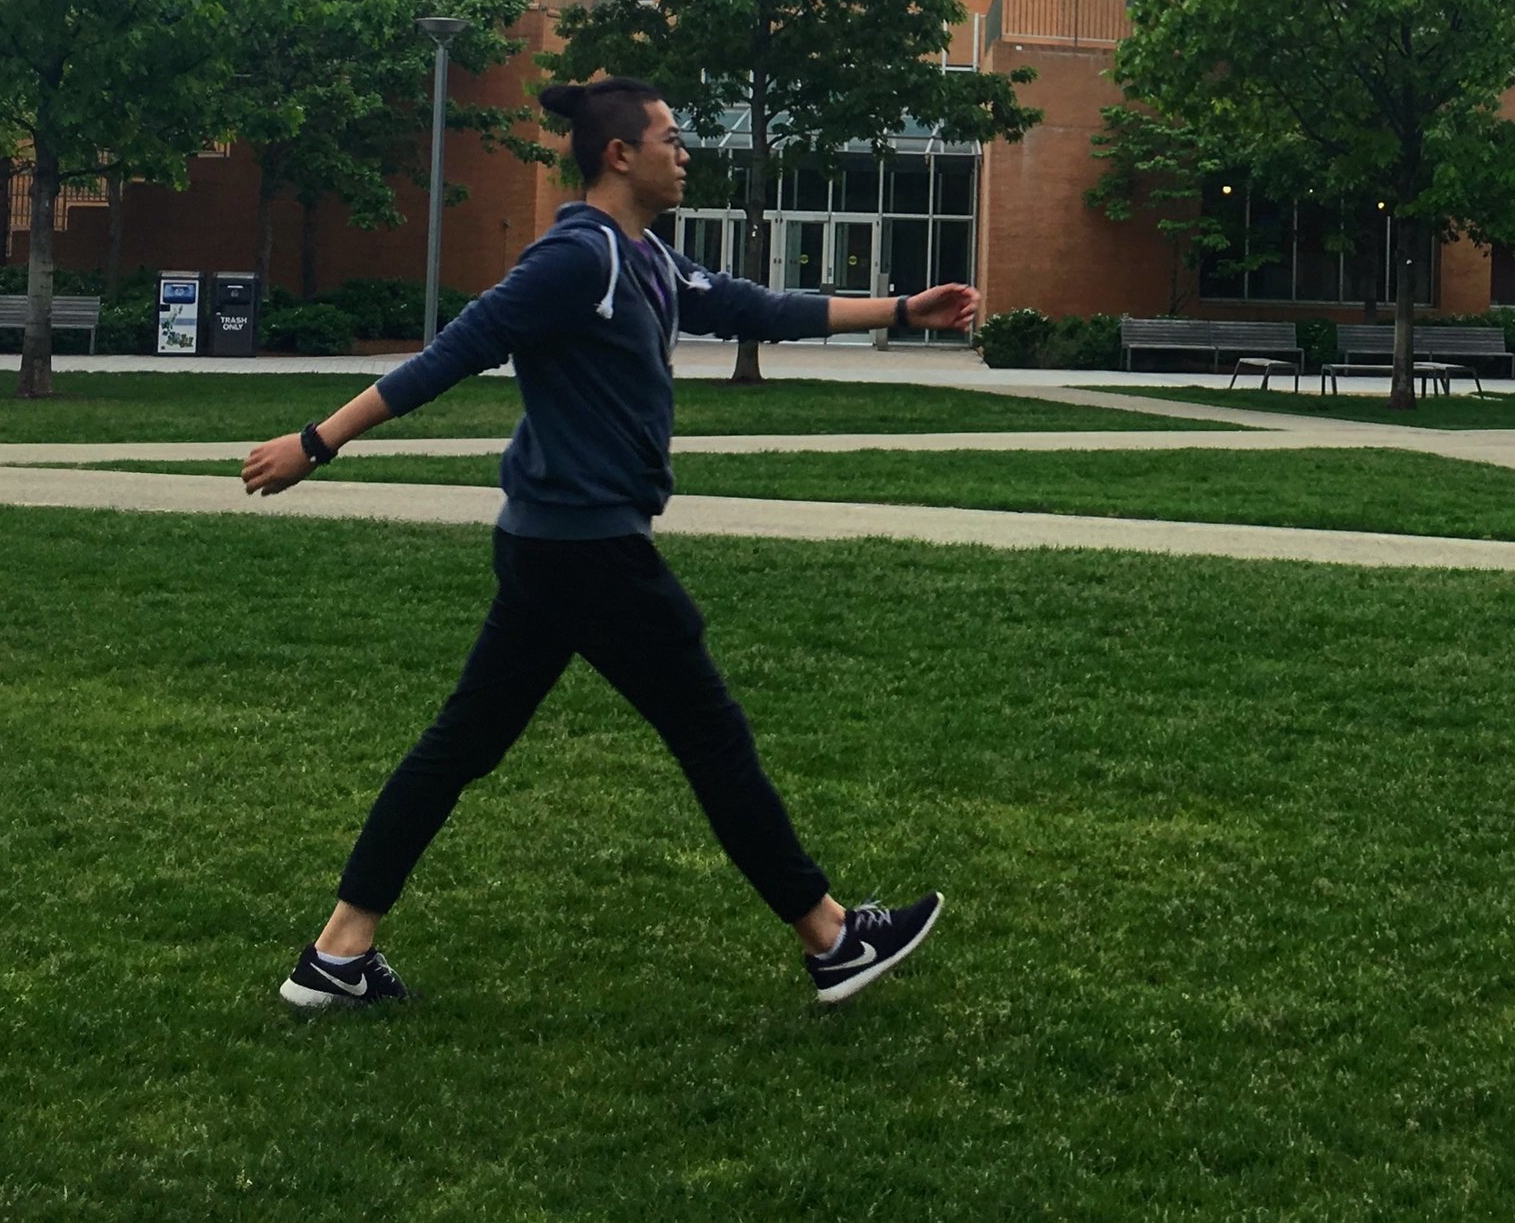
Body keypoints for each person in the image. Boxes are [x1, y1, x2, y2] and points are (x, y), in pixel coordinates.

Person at [242, 75, 980, 1012]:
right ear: (620, 155)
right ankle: (831, 939)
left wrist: (903, 310)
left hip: (552, 550)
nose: (685, 152)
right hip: (587, 553)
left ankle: (336, 957)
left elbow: (756, 308)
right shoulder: (576, 259)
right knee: (711, 736)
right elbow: (452, 354)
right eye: (671, 138)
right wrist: (315, 443)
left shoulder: (649, 258)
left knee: (459, 746)